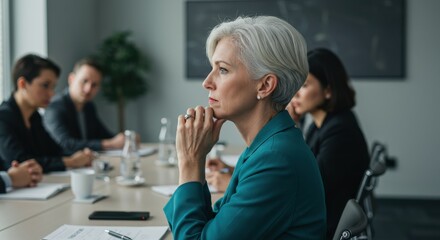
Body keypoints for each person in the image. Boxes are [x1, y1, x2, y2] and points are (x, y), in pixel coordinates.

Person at [163, 16, 326, 239]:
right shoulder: (264, 145)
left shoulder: (276, 159)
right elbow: (213, 225)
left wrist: (190, 162)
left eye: (222, 70)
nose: (207, 82)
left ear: (265, 85)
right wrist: (196, 161)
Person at [287, 48, 370, 239]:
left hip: (323, 222)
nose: (295, 93)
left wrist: (290, 127)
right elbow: (301, 169)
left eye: (304, 85)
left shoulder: (340, 131)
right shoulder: (319, 124)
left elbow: (308, 186)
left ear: (328, 91)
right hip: (318, 212)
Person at [0, 54, 94, 173]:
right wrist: (71, 161)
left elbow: (54, 151)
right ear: (22, 84)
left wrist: (80, 155)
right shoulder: (3, 118)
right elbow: (21, 162)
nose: (51, 94)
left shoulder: (34, 116)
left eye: (53, 87)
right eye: (45, 86)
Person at [43, 58, 125, 155]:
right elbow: (66, 143)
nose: (88, 89)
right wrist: (109, 144)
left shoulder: (88, 106)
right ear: (71, 79)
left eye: (94, 85)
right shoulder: (55, 107)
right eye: (84, 81)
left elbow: (103, 134)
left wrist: (124, 138)